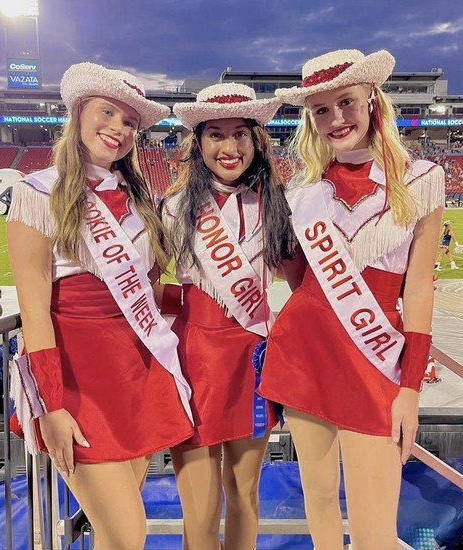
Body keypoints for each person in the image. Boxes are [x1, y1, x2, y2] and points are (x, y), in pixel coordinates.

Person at [257, 49, 445, 549]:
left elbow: (420, 287)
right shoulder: (302, 193)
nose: (336, 119)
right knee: (318, 501)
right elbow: (301, 281)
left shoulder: (421, 180)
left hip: (375, 363)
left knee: (375, 533)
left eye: (346, 102)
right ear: (309, 119)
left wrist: (410, 389)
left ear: (372, 99)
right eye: (321, 109)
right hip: (304, 355)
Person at [6, 62, 194, 549]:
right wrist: (51, 405)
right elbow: (34, 310)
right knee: (129, 534)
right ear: (78, 112)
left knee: (113, 536)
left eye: (130, 122)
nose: (118, 128)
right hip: (76, 386)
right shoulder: (36, 194)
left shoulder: (137, 197)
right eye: (107, 112)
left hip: (134, 378)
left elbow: (148, 293)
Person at [162, 83, 294, 549]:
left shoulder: (277, 204)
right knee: (199, 507)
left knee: (244, 494)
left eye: (240, 133)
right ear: (197, 143)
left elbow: (303, 284)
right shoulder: (174, 207)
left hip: (251, 361)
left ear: (257, 139)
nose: (229, 147)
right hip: (192, 359)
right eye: (215, 134)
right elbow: (152, 285)